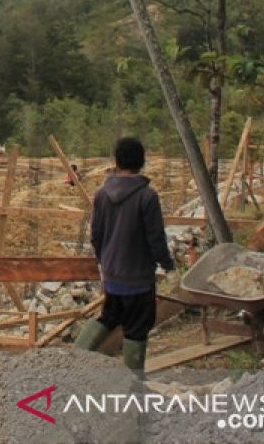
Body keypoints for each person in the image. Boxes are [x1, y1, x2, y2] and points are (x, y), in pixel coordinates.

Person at [74, 137, 176, 376]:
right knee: (137, 328)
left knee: (109, 316)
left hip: (112, 275)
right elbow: (155, 239)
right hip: (138, 277)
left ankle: (74, 357)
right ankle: (134, 384)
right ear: (141, 163)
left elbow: (96, 235)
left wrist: (105, 263)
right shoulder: (147, 196)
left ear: (117, 161)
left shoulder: (102, 194)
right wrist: (168, 266)